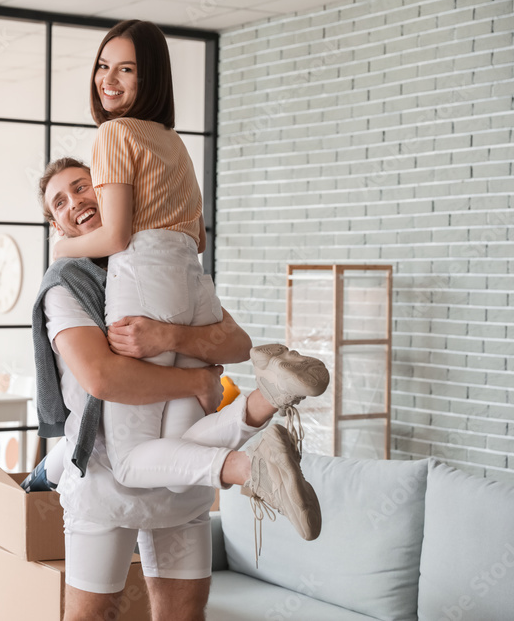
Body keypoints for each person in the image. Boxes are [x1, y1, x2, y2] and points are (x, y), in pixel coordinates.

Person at [33, 158, 325, 621]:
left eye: (82, 187)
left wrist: (168, 337)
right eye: (61, 202)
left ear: (109, 189)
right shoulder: (67, 285)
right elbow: (103, 379)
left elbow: (235, 342)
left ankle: (256, 452)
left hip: (183, 479)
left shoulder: (152, 263)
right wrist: (195, 379)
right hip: (110, 481)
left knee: (184, 617)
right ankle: (263, 406)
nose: (76, 202)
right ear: (56, 226)